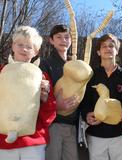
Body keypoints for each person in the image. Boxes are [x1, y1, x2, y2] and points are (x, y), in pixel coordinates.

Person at [0, 26, 56, 160]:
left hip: (33, 141)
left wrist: (44, 98)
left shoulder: (42, 77)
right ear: (13, 46)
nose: (24, 49)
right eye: (20, 44)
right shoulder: (1, 72)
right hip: (3, 141)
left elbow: (50, 113)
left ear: (36, 51)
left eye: (29, 47)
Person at [79, 33, 122, 160]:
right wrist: (87, 114)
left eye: (111, 46)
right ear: (98, 52)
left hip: (120, 135)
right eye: (104, 46)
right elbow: (84, 101)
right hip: (95, 135)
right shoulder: (91, 75)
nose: (108, 48)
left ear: (116, 51)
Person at [40, 24, 79, 160]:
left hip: (73, 124)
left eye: (67, 37)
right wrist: (56, 106)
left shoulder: (75, 65)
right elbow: (41, 94)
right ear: (51, 40)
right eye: (58, 37)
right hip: (54, 124)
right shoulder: (45, 63)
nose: (63, 40)